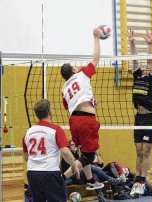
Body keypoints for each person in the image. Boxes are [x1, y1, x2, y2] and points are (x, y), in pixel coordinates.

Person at [60, 27, 104, 190]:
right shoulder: (82, 74)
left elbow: (70, 106)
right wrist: (96, 38)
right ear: (73, 70)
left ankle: (91, 181)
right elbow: (96, 58)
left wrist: (90, 101)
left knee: (85, 152)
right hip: (86, 121)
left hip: (74, 121)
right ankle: (61, 177)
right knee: (89, 156)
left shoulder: (64, 89)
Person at [22, 99, 80, 202]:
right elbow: (66, 152)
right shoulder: (56, 130)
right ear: (50, 112)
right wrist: (74, 165)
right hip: (50, 173)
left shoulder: (28, 132)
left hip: (32, 173)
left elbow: (26, 157)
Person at [126, 29, 152, 197]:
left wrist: (149, 45)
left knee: (146, 151)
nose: (146, 68)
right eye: (145, 67)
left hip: (150, 117)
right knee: (138, 150)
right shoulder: (138, 75)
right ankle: (137, 181)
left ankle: (141, 181)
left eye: (149, 67)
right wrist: (132, 42)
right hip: (139, 117)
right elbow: (134, 60)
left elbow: (150, 60)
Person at [62, 141, 127, 201]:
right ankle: (111, 180)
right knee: (91, 166)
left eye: (74, 144)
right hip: (76, 177)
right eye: (72, 145)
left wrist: (97, 154)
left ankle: (101, 197)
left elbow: (101, 164)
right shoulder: (67, 157)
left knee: (94, 175)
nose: (74, 146)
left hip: (86, 176)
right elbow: (67, 171)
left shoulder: (80, 154)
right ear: (69, 147)